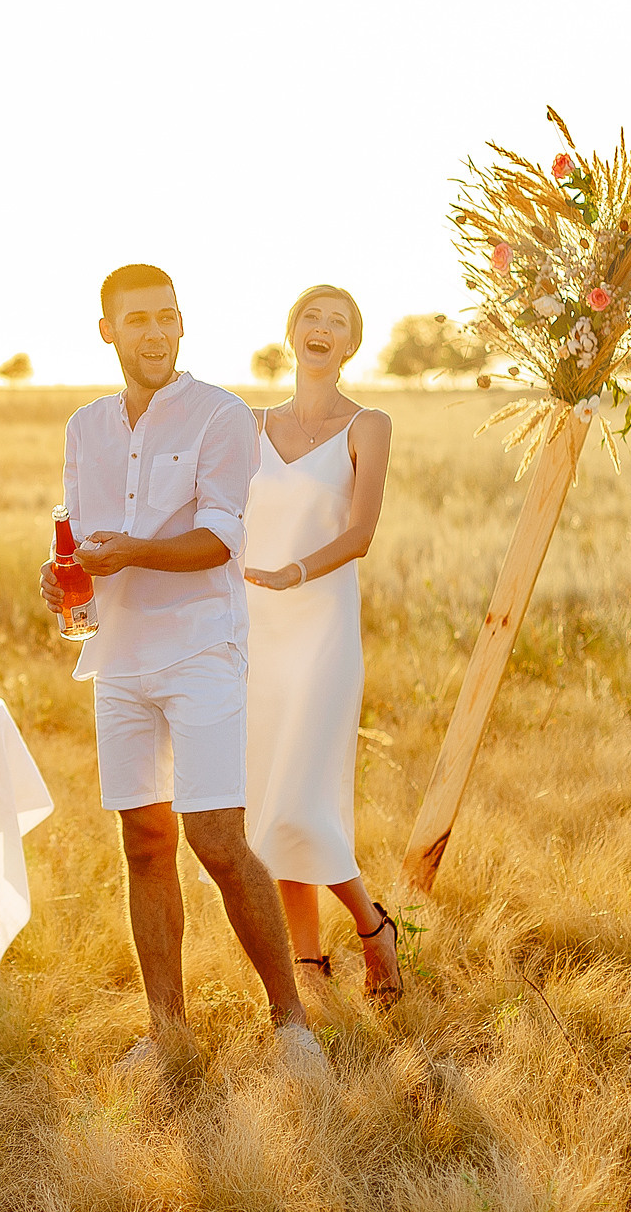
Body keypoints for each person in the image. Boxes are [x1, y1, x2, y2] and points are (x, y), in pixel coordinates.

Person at [40, 263, 324, 1078]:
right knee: (143, 840)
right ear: (107, 331)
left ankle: (292, 1028)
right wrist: (62, 576)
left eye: (167, 316)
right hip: (118, 655)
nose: (156, 332)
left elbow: (219, 541)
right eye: (137, 320)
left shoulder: (221, 417)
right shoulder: (85, 427)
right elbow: (80, 539)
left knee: (216, 838)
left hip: (202, 647)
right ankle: (168, 1035)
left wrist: (127, 551)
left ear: (182, 323)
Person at [241, 284, 403, 1003]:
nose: (322, 329)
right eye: (311, 316)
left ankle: (373, 929)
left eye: (337, 323)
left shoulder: (368, 424)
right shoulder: (247, 425)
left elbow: (362, 533)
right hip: (256, 633)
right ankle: (307, 963)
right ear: (291, 331)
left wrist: (294, 572)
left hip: (322, 629)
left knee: (304, 799)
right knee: (272, 802)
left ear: (350, 346)